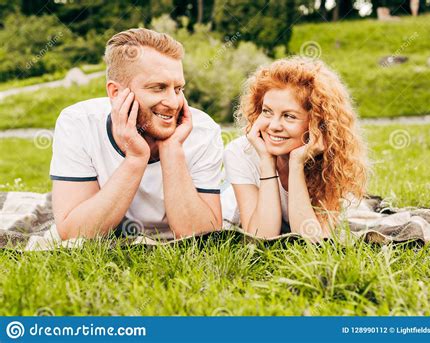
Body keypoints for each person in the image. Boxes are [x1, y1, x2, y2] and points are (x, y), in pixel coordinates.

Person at [50, 29, 223, 240]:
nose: (173, 102)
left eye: (178, 89)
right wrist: (135, 159)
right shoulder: (78, 123)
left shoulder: (203, 132)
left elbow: (203, 238)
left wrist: (171, 150)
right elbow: (75, 234)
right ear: (116, 93)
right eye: (158, 88)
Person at [221, 57, 368, 241]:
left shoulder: (330, 158)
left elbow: (311, 240)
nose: (273, 126)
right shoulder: (240, 152)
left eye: (288, 116)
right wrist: (267, 161)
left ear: (315, 122)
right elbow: (261, 237)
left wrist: (297, 164)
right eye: (267, 111)